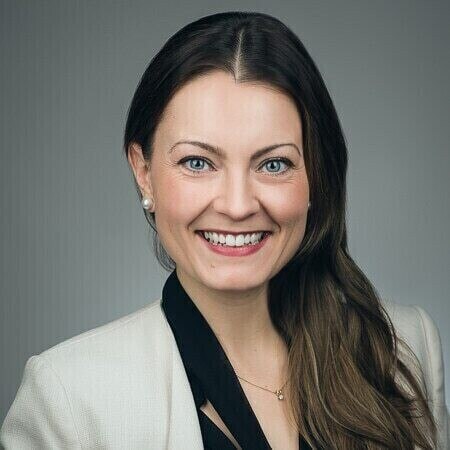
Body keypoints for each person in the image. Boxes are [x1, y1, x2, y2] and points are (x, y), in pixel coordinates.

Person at [1, 11, 448, 450]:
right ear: (144, 173)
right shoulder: (69, 399)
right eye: (197, 162)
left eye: (274, 164)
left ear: (316, 176)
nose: (237, 206)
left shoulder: (404, 350)